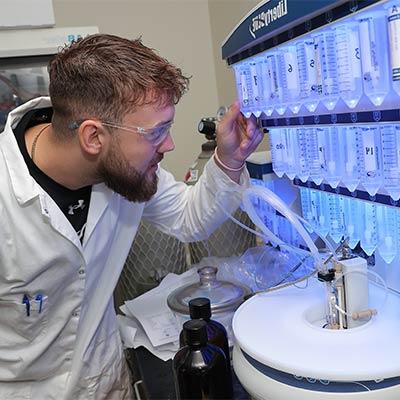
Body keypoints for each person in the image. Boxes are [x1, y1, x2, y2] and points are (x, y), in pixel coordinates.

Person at [0, 34, 263, 399]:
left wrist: (230, 159)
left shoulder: (122, 174)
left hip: (108, 384)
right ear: (93, 137)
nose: (168, 145)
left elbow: (190, 218)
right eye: (156, 132)